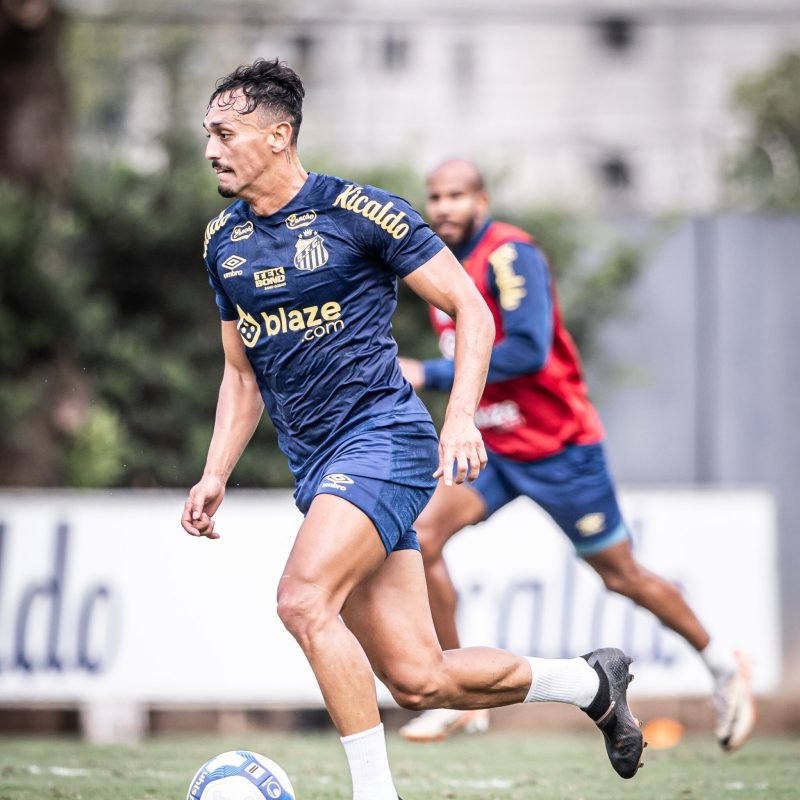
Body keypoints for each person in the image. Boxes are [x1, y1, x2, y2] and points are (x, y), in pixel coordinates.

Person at [182, 59, 644, 800]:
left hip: (385, 442)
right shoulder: (222, 244)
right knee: (419, 679)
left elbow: (473, 309)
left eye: (225, 132)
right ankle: (593, 683)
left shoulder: (362, 212)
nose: (210, 148)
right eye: (207, 132)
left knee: (302, 600)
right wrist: (215, 473)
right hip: (319, 466)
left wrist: (460, 416)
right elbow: (241, 375)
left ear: (278, 135)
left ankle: (376, 795)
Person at [396, 158, 756, 752]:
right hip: (496, 449)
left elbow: (531, 351)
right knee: (419, 536)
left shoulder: (511, 255)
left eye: (456, 195)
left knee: (622, 576)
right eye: (435, 196)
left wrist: (426, 372)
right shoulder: (444, 269)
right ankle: (458, 693)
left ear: (481, 200)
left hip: (560, 449)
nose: (443, 208)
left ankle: (723, 665)